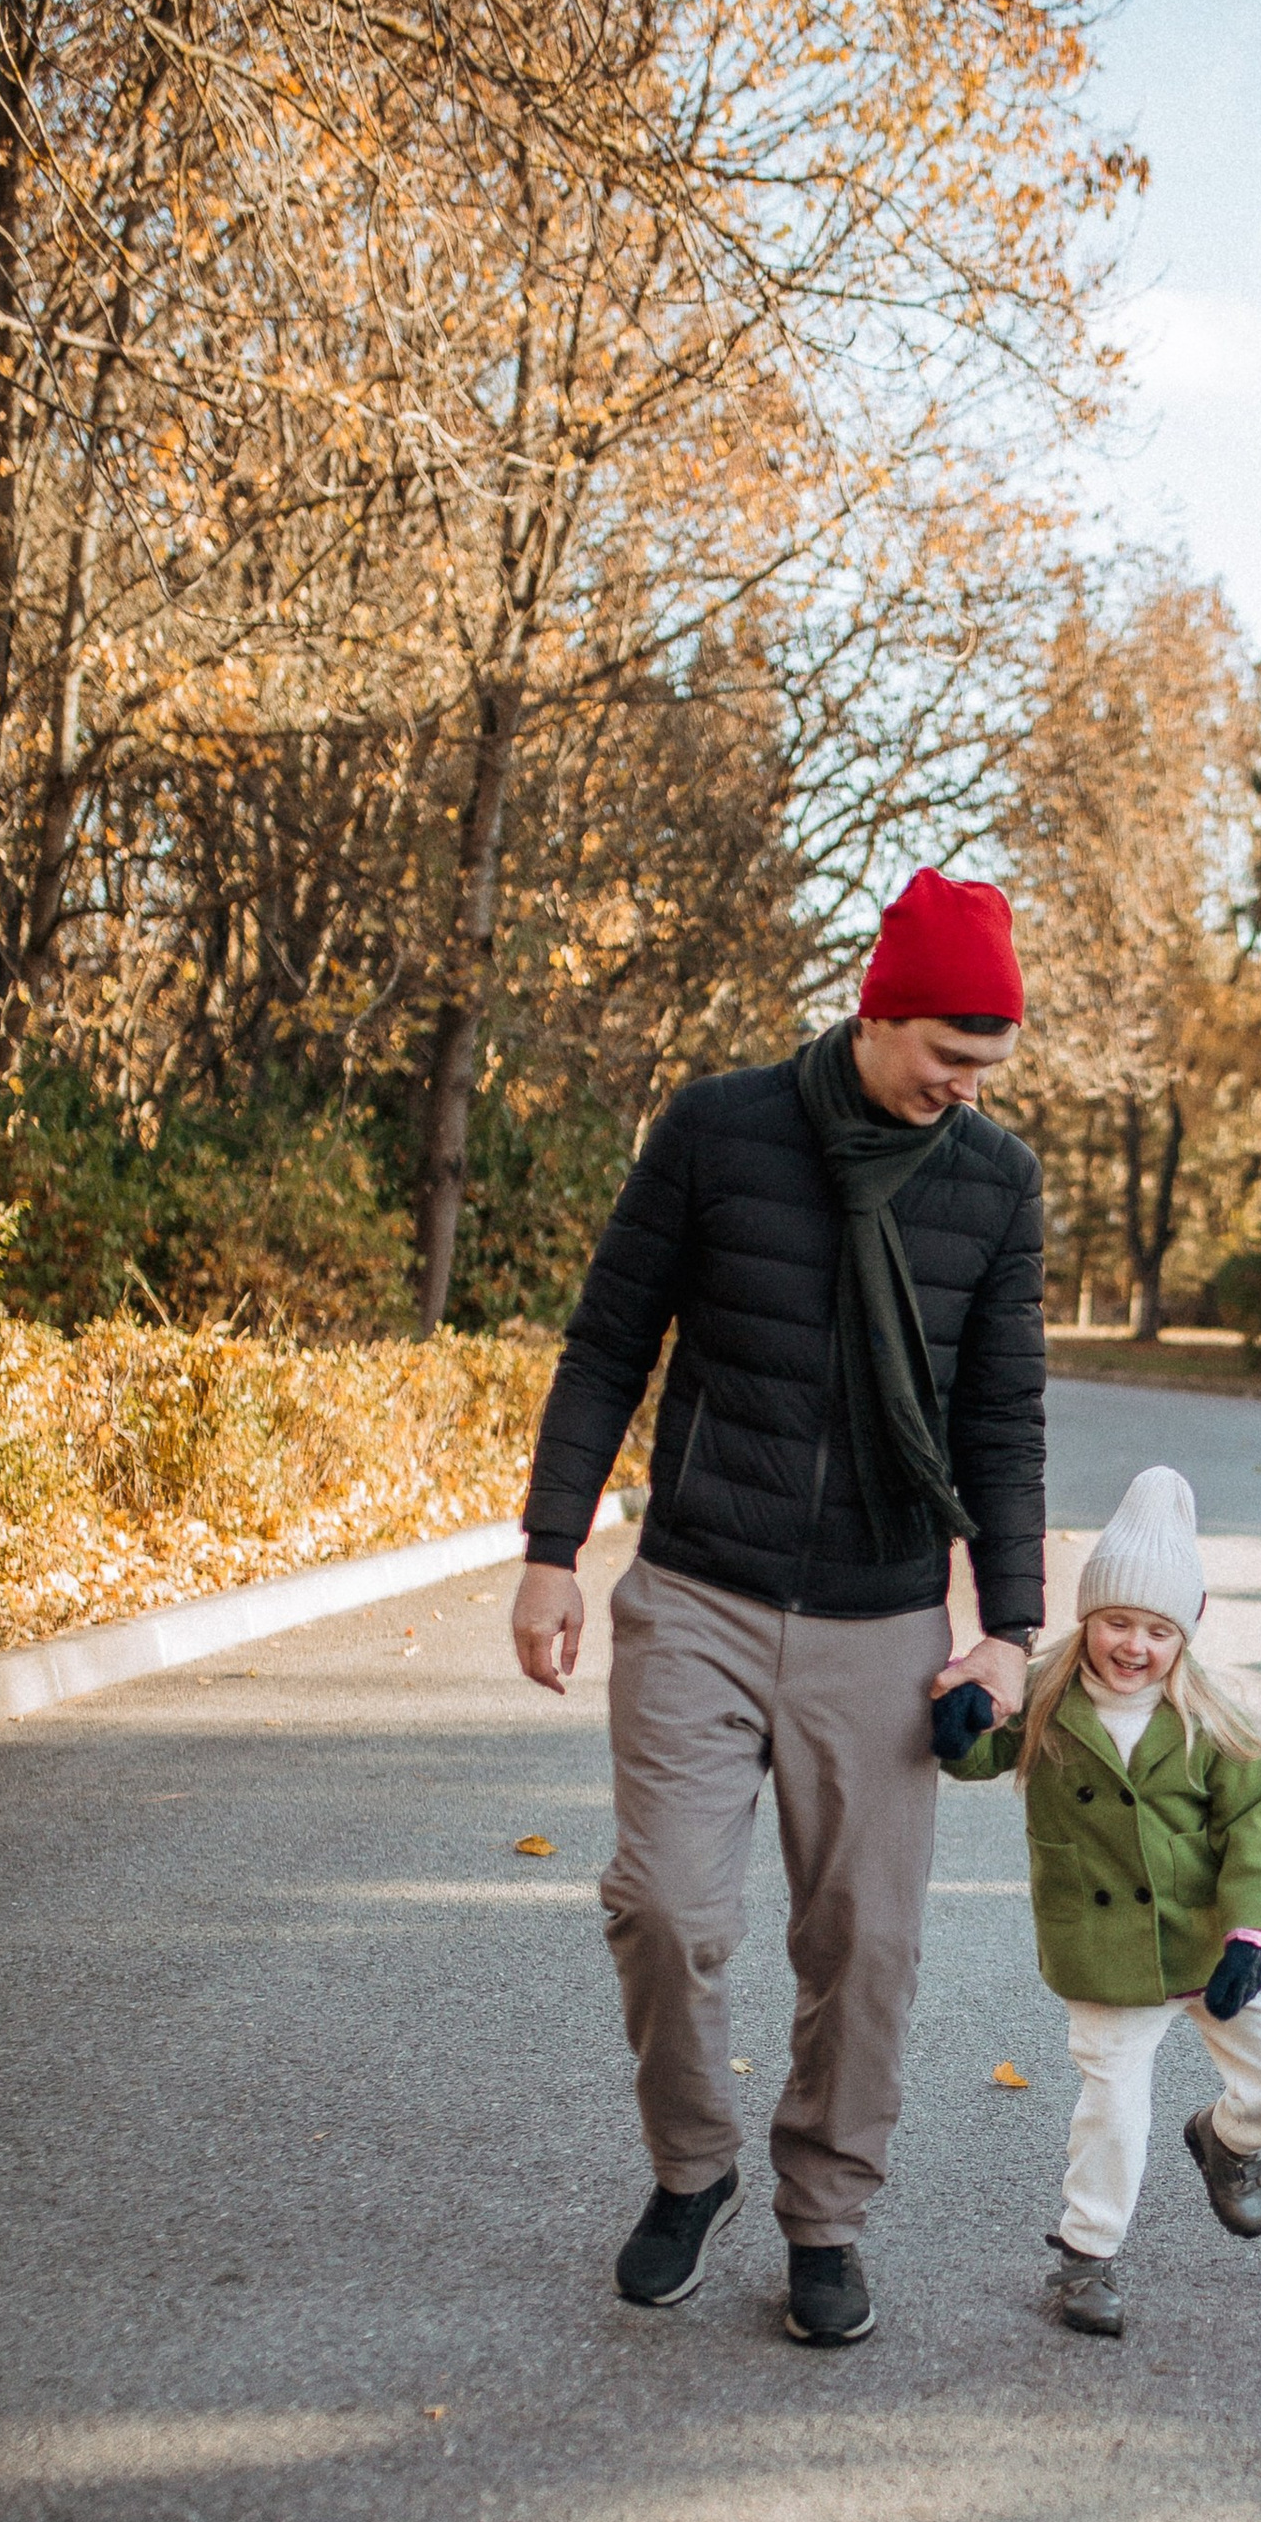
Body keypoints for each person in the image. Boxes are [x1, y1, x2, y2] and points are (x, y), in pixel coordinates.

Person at [510, 865, 1047, 2347]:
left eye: (987, 1068)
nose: (964, 1090)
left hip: (883, 1616)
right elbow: (609, 1338)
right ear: (881, 1011)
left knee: (864, 1939)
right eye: (948, 1056)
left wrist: (1009, 1626)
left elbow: (1002, 1417)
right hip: (696, 1590)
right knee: (667, 1907)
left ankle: (826, 2213)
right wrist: (556, 1543)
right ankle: (692, 2172)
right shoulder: (719, 1130)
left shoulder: (994, 1185)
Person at [942, 1466, 1261, 2341]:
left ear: (1184, 1633)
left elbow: (1259, 1822)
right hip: (1104, 1946)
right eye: (1116, 1620)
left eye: (1156, 1628)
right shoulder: (1043, 1693)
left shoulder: (1212, 1719)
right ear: (1087, 1617)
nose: (1133, 1644)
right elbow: (979, 1755)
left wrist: (1254, 1932)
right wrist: (958, 1732)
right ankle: (1087, 2254)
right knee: (1114, 2107)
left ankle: (1229, 2141)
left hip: (1208, 1940)